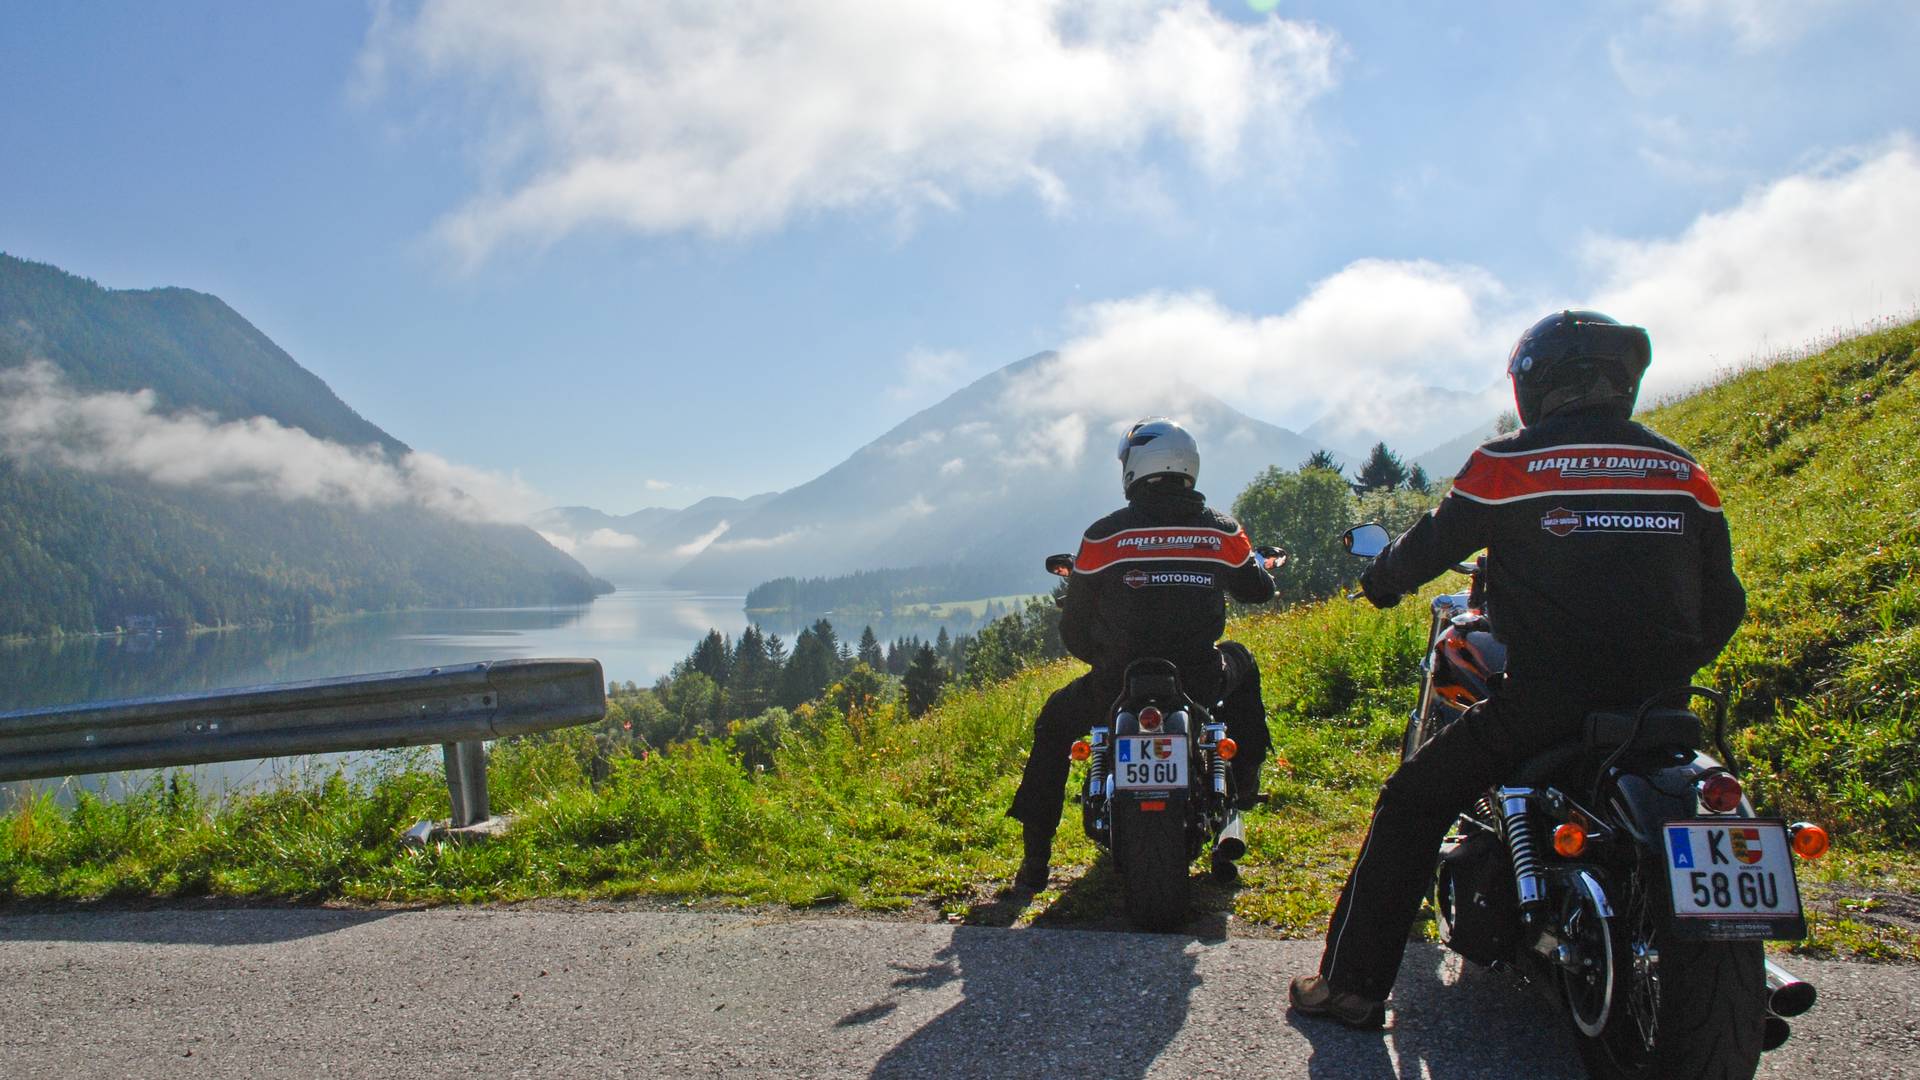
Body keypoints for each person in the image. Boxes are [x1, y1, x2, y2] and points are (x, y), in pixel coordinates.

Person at [1287, 310, 1747, 1028]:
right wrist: (1670, 665)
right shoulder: (1684, 470)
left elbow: (1429, 545)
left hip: (1545, 702)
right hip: (1665, 709)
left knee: (1412, 802)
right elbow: (1725, 601)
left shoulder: (1510, 462)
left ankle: (1349, 987)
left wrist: (1381, 583)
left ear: (1537, 384)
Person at [1008, 417, 1276, 890]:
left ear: (1134, 468)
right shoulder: (1222, 530)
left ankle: (1035, 859)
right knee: (1242, 661)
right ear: (1188, 465)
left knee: (1054, 722)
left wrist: (1104, 662)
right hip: (1198, 678)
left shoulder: (1102, 536)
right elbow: (1257, 591)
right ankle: (1247, 778)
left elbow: (1073, 626)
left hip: (1117, 683)